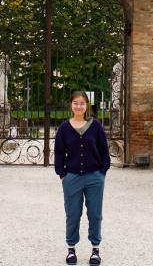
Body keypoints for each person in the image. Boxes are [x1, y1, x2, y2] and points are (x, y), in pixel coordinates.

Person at [54, 90, 110, 265]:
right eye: (75, 102)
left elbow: (104, 151)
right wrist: (62, 175)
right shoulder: (64, 128)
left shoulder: (96, 126)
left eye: (82, 103)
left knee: (95, 214)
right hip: (72, 178)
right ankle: (71, 248)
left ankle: (95, 249)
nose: (79, 106)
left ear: (87, 106)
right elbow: (58, 153)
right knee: (72, 214)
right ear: (71, 105)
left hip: (94, 177)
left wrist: (102, 172)